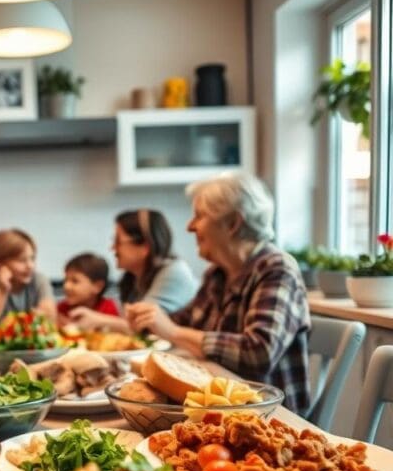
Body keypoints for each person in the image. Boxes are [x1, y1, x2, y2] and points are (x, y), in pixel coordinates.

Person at [126, 172, 311, 413]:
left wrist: (171, 330)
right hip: (221, 408)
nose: (190, 226)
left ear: (233, 223)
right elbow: (183, 322)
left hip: (268, 415)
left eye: (199, 216)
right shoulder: (217, 275)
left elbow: (259, 352)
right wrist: (148, 319)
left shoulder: (277, 268)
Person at [67, 209, 197, 332]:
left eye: (118, 242)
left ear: (145, 247)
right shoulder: (133, 278)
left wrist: (98, 320)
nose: (112, 248)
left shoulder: (174, 272)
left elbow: (145, 326)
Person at [0, 229, 56, 323]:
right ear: (0, 263)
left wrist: (45, 313)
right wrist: (2, 289)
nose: (30, 266)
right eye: (22, 260)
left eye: (32, 258)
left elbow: (50, 318)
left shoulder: (39, 280)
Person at [57, 253, 120, 325]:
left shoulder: (108, 308)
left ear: (97, 287)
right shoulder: (62, 308)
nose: (66, 286)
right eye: (65, 280)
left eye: (75, 281)